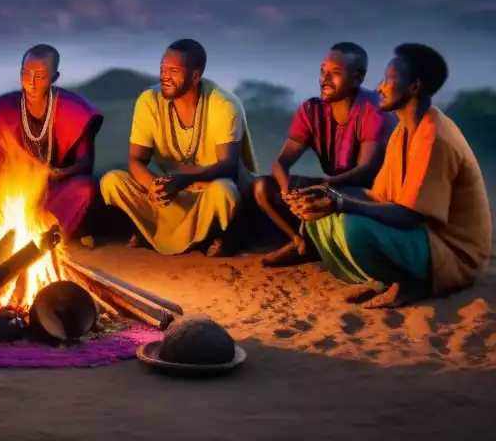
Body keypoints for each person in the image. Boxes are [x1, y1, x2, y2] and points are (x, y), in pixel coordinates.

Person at [291, 43, 491, 309]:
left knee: (355, 227)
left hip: (451, 254)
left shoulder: (435, 136)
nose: (379, 88)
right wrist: (328, 196)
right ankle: (384, 279)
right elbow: (380, 196)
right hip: (421, 238)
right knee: (324, 212)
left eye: (388, 79)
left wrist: (340, 203)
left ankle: (409, 284)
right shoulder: (403, 131)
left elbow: (409, 215)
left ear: (414, 87)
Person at [100, 39, 257, 257]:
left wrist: (185, 179)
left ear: (195, 76)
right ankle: (174, 234)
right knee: (112, 181)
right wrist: (154, 186)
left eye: (173, 70)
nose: (165, 76)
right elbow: (136, 160)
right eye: (163, 68)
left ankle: (205, 234)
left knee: (224, 192)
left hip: (205, 196)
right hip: (170, 196)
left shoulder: (224, 105)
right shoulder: (149, 101)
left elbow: (228, 166)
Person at [255, 43, 394, 267]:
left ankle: (323, 245)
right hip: (332, 186)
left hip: (366, 194)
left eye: (336, 73)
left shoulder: (372, 109)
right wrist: (286, 191)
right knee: (263, 187)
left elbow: (365, 170)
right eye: (323, 71)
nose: (325, 79)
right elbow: (281, 162)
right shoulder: (312, 110)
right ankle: (299, 241)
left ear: (358, 77)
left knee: (328, 198)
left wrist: (322, 187)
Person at [0, 44, 103, 244]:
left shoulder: (72, 108)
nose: (30, 83)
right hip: (18, 188)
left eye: (39, 76)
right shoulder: (5, 108)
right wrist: (22, 173)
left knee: (86, 188)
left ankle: (48, 235)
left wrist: (57, 173)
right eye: (26, 74)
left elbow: (86, 163)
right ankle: (20, 229)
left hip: (57, 190)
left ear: (54, 77)